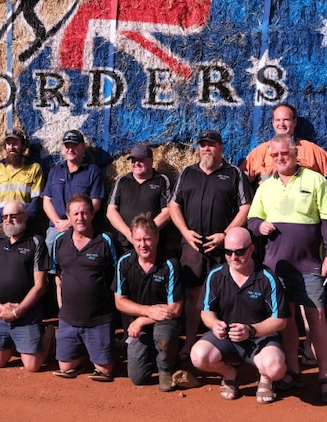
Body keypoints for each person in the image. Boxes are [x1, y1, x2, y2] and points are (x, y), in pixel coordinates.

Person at [247, 134, 327, 404]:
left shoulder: (315, 180)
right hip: (275, 267)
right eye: (274, 155)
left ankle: (324, 376)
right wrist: (259, 226)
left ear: (294, 153)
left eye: (284, 153)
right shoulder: (265, 186)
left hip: (309, 264)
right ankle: (292, 372)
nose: (280, 158)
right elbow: (253, 218)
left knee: (317, 318)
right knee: (285, 320)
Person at [168, 129, 253, 359]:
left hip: (223, 248)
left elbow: (246, 207)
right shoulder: (187, 172)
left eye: (211, 144)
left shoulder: (234, 173)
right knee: (194, 294)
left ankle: (227, 347)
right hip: (193, 246)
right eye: (203, 144)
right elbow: (174, 205)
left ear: (221, 147)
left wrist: (226, 235)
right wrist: (185, 233)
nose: (206, 148)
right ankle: (190, 344)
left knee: (224, 295)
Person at [191, 227, 287, 404]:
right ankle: (229, 374)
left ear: (251, 249)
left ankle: (266, 378)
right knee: (198, 356)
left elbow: (280, 320)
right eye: (228, 252)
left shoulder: (267, 277)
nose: (233, 257)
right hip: (226, 338)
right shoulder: (216, 275)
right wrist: (214, 324)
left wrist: (252, 330)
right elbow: (206, 312)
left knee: (275, 369)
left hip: (260, 338)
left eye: (239, 252)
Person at [114, 215, 196, 392]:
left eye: (147, 239)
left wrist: (142, 319)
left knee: (163, 337)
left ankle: (167, 367)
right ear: (132, 239)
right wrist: (148, 312)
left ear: (157, 238)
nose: (142, 245)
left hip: (165, 322)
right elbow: (119, 302)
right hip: (139, 328)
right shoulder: (124, 262)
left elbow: (175, 308)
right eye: (138, 240)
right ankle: (155, 355)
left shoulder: (170, 263)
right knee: (137, 378)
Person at [51, 194, 117, 382]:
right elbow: (57, 276)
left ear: (92, 214)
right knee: (66, 367)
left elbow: (118, 274)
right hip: (69, 318)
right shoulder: (60, 241)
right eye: (76, 214)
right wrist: (61, 307)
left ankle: (108, 346)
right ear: (68, 216)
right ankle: (82, 349)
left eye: (84, 213)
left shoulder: (105, 240)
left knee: (104, 371)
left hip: (99, 318)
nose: (80, 218)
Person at [0, 200, 52, 372]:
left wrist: (17, 311)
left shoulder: (36, 242)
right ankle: (19, 343)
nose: (8, 220)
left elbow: (40, 285)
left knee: (32, 366)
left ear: (25, 216)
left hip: (26, 312)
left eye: (13, 216)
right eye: (5, 217)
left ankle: (49, 334)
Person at [43, 129, 106, 256]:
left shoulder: (93, 172)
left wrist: (70, 222)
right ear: (63, 148)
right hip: (56, 228)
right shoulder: (55, 172)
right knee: (48, 260)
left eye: (74, 145)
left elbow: (96, 204)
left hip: (82, 226)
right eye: (67, 146)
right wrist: (58, 223)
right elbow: (47, 201)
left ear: (83, 147)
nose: (70, 149)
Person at [242, 103, 327, 184]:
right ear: (273, 122)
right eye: (278, 120)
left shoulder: (312, 151)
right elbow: (240, 182)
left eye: (286, 120)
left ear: (294, 122)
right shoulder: (260, 152)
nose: (281, 124)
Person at [106, 143, 172, 256]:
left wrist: (146, 233)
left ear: (151, 161)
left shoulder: (161, 180)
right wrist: (129, 234)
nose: (136, 163)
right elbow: (111, 211)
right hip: (125, 244)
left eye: (140, 160)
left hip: (151, 244)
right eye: (133, 160)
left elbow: (168, 212)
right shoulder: (122, 181)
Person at [0, 128, 44, 229]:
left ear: (23, 145)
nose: (11, 147)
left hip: (24, 223)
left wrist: (24, 220)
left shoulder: (34, 168)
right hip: (2, 223)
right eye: (8, 144)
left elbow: (37, 200)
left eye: (15, 143)